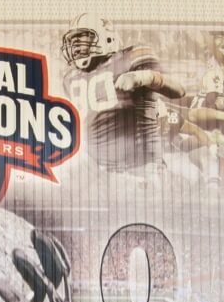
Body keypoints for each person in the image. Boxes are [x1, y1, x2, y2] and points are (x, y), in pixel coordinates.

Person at [61, 13, 185, 181]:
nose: (75, 45)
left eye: (82, 36)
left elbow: (178, 90)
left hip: (142, 168)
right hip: (100, 173)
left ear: (106, 37)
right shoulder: (70, 78)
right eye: (72, 40)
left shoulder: (132, 56)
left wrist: (144, 77)